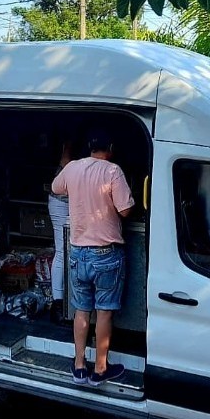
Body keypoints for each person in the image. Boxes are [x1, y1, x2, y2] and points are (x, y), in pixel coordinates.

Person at [51, 128, 134, 386]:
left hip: (78, 253)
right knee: (105, 312)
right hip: (106, 254)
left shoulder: (74, 168)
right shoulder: (113, 171)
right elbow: (126, 210)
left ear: (89, 147)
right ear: (110, 147)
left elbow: (56, 187)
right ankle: (100, 369)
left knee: (81, 311)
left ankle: (78, 367)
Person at [47, 139, 74, 323]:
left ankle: (68, 302)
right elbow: (64, 164)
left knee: (72, 251)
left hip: (74, 198)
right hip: (62, 198)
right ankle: (58, 303)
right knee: (62, 251)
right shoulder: (73, 140)